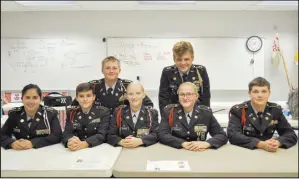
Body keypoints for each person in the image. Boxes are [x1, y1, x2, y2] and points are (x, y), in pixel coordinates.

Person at [227, 77, 297, 152]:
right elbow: (233, 136)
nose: (260, 95)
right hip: (246, 153)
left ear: (269, 93)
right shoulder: (239, 111)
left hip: (269, 153)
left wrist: (278, 142)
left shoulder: (275, 110)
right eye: (256, 92)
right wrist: (260, 144)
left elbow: (290, 134)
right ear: (249, 94)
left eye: (264, 91)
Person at [158, 82, 227, 151]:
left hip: (199, 152)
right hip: (176, 151)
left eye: (189, 94)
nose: (185, 98)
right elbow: (162, 134)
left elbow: (222, 135)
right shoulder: (170, 112)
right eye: (182, 94)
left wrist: (207, 143)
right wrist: (182, 143)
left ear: (196, 96)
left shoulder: (205, 113)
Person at [0, 84, 62, 150]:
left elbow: (57, 136)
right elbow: (2, 135)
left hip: (43, 153)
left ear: (40, 99)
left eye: (35, 98)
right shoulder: (14, 114)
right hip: (20, 154)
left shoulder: (50, 114)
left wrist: (32, 143)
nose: (31, 101)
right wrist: (11, 143)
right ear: (22, 99)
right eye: (27, 97)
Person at [159, 41, 211, 114]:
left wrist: (205, 117)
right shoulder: (167, 72)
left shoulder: (200, 71)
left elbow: (205, 97)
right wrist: (166, 118)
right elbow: (163, 99)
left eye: (186, 59)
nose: (183, 63)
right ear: (174, 59)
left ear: (192, 58)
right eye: (179, 59)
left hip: (196, 113)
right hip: (174, 114)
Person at [108, 81, 159, 148]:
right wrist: (121, 141)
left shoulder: (152, 114)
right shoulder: (118, 113)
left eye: (138, 93)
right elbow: (109, 134)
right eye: (130, 94)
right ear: (126, 96)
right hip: (124, 150)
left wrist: (141, 141)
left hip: (144, 151)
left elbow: (157, 134)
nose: (134, 97)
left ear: (143, 95)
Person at [62, 83, 110, 151]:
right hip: (76, 150)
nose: (85, 99)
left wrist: (84, 144)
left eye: (88, 96)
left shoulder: (103, 112)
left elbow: (102, 135)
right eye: (81, 96)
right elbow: (67, 133)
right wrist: (69, 142)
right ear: (77, 98)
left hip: (97, 149)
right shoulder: (71, 113)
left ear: (94, 97)